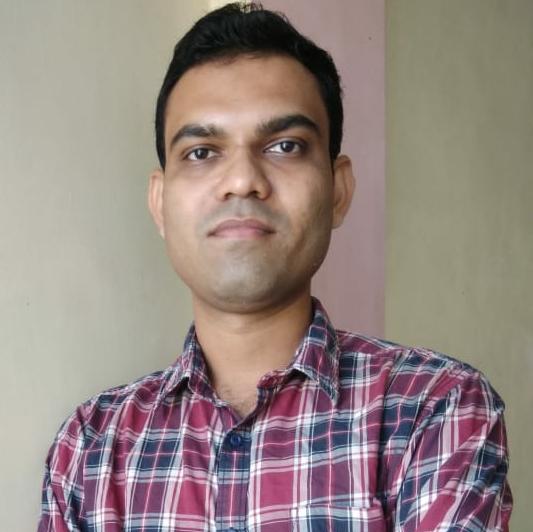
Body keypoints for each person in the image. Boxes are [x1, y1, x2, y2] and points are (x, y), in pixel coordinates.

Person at [38, 3, 512, 531]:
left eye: (285, 146)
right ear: (159, 203)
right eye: (201, 152)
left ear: (338, 190)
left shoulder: (434, 409)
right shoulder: (91, 449)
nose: (243, 180)